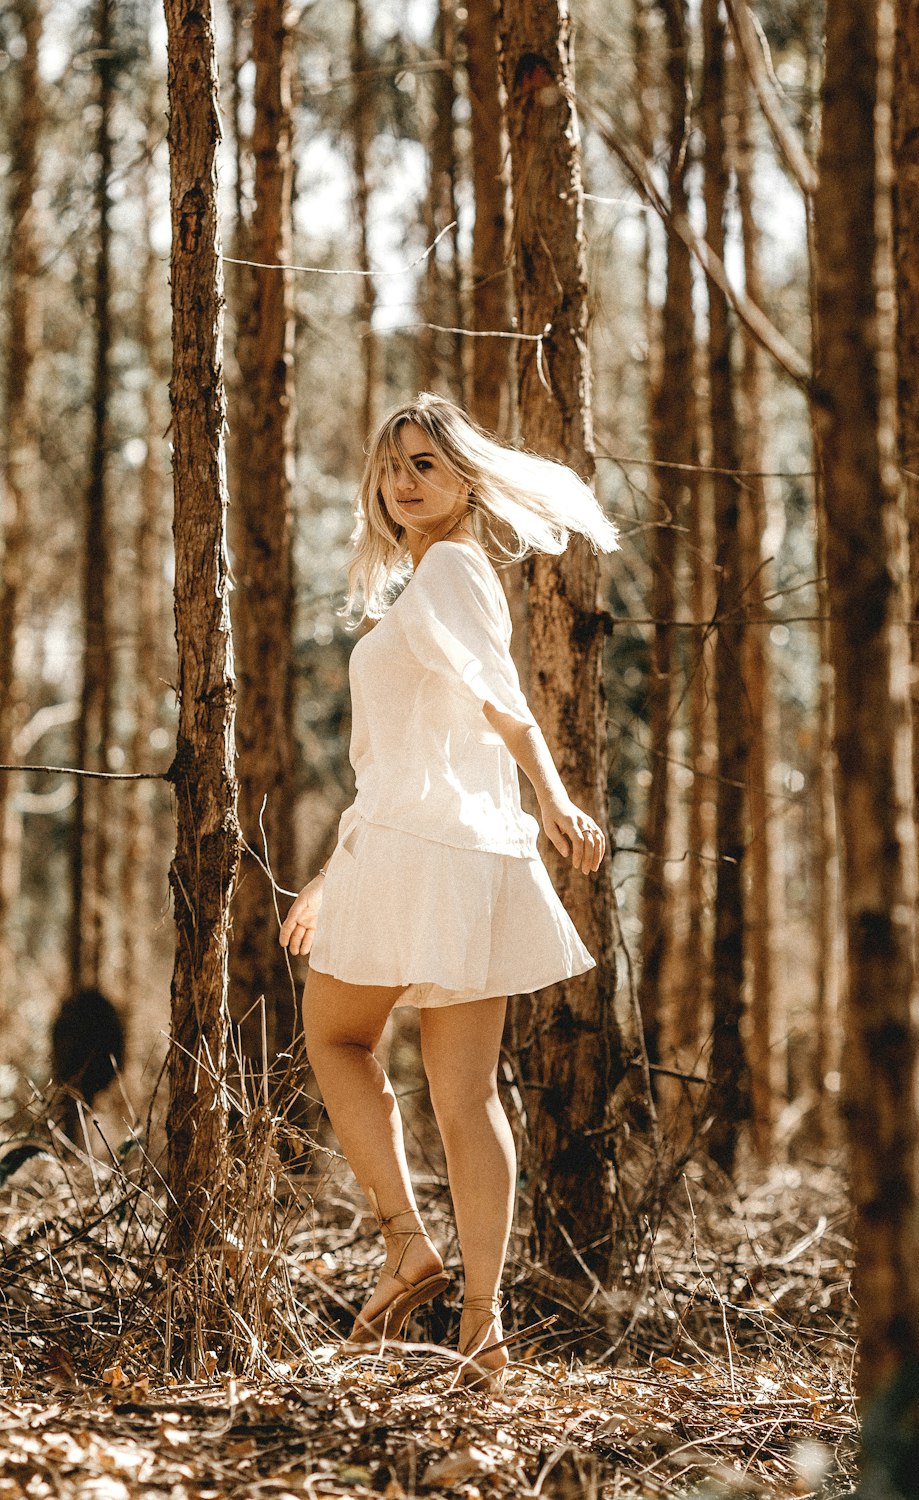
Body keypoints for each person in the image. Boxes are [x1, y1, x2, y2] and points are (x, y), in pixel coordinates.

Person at [279, 393, 618, 1389]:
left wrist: (556, 800)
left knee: (337, 1042)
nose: (402, 481)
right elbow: (412, 759)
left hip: (426, 851)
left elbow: (502, 706)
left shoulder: (455, 570)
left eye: (424, 463)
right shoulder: (432, 583)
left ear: (465, 479)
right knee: (465, 1099)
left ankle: (407, 1247)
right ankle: (481, 1329)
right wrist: (333, 877)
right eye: (391, 467)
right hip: (440, 852)